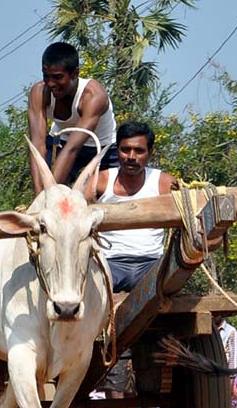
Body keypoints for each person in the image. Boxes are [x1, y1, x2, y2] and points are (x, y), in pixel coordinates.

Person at [87, 121, 178, 293]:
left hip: (152, 264)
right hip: (109, 263)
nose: (131, 156)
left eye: (139, 151)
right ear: (117, 151)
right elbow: (73, 209)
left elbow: (191, 211)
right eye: (125, 149)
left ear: (150, 153)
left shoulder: (164, 183)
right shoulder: (100, 181)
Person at [28, 41, 118, 195]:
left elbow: (73, 148)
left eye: (57, 77)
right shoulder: (39, 93)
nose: (50, 83)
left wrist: (51, 195)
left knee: (111, 193)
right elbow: (37, 145)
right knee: (44, 189)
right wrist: (40, 197)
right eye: (46, 76)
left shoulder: (93, 96)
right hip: (63, 141)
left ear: (75, 73)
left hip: (102, 146)